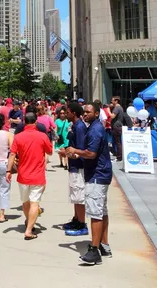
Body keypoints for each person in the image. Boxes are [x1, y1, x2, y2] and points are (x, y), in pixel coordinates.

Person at [67, 102, 113, 265]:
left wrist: (75, 151)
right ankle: (104, 245)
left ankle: (94, 251)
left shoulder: (94, 130)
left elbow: (91, 153)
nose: (85, 114)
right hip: (101, 174)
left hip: (97, 176)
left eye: (88, 112)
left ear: (96, 114)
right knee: (102, 211)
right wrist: (77, 155)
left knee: (95, 213)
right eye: (84, 112)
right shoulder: (94, 127)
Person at [6, 112, 52, 240]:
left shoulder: (18, 137)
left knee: (25, 202)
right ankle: (29, 230)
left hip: (23, 175)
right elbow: (50, 151)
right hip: (37, 175)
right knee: (34, 203)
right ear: (36, 122)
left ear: (24, 122)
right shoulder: (42, 136)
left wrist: (8, 171)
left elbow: (12, 155)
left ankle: (29, 222)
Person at [61, 102, 88, 236]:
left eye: (68, 112)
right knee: (74, 196)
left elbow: (81, 149)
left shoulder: (80, 127)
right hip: (73, 166)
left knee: (79, 196)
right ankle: (76, 219)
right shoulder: (74, 126)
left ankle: (82, 224)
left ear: (74, 113)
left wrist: (72, 153)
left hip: (79, 167)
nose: (66, 114)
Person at [110, 96, 124, 162]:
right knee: (118, 142)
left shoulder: (117, 108)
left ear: (116, 101)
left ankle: (119, 157)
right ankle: (118, 155)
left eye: (113, 100)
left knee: (118, 142)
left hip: (116, 126)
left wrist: (108, 111)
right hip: (118, 126)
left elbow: (112, 116)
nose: (111, 102)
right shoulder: (120, 108)